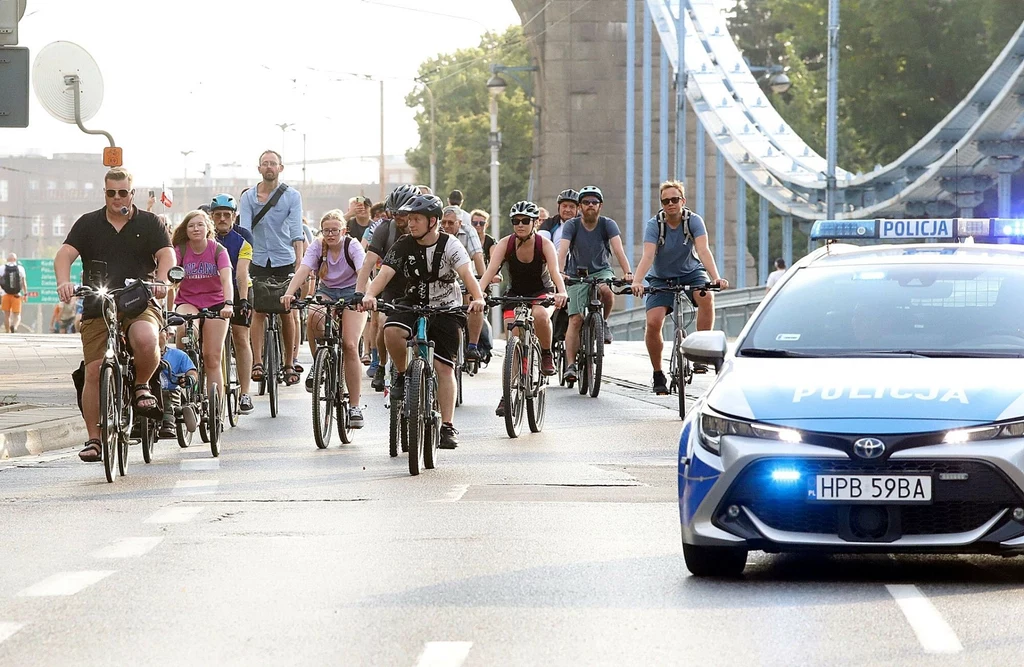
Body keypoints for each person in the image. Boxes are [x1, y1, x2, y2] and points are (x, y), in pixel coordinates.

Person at [55, 167, 174, 463]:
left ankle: (141, 385)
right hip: (98, 302)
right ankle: (94, 439)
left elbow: (166, 254)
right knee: (94, 370)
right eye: (111, 193)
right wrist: (63, 281)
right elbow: (64, 254)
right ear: (105, 193)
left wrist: (162, 279)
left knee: (146, 338)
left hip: (138, 300)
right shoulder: (88, 224)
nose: (117, 198)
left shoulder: (149, 223)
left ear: (131, 194)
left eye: (123, 192)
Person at [359, 194, 486, 449]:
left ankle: (448, 426)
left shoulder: (451, 245)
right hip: (413, 302)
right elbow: (384, 274)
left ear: (433, 222)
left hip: (446, 308)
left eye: (416, 219)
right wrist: (370, 294)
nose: (410, 223)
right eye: (410, 219)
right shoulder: (405, 244)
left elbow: (466, 275)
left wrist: (478, 297)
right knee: (391, 330)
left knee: (444, 367)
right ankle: (403, 377)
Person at [630, 180, 729, 394]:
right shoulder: (654, 224)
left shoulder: (693, 221)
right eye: (665, 201)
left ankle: (701, 353)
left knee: (706, 297)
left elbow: (703, 251)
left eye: (675, 200)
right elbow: (648, 255)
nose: (670, 204)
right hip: (661, 278)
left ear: (682, 201)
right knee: (654, 322)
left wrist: (716, 278)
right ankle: (658, 373)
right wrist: (637, 281)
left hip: (690, 273)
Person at [477, 201, 568, 416]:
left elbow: (555, 273)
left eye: (525, 221)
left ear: (535, 223)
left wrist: (561, 292)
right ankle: (507, 393)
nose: (520, 225)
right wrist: (478, 294)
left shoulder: (543, 244)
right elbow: (490, 271)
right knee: (514, 336)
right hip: (515, 295)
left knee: (539, 315)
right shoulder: (506, 244)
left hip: (542, 292)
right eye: (516, 221)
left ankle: (546, 354)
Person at [281, 210, 367, 428]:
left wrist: (361, 296)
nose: (330, 234)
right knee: (313, 316)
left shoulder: (352, 246)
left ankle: (355, 406)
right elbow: (303, 269)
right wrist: (290, 292)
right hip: (327, 291)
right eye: (326, 230)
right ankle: (319, 361)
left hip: (353, 292)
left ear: (343, 231)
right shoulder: (318, 246)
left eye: (335, 230)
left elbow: (362, 270)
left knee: (349, 344)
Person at [239, 149, 304, 388]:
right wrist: (243, 263)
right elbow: (245, 231)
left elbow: (297, 231)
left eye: (273, 164)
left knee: (287, 310)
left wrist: (300, 263)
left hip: (284, 257)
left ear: (280, 168)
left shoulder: (292, 196)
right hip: (257, 259)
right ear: (259, 169)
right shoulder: (248, 197)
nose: (269, 167)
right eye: (265, 164)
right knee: (259, 310)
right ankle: (257, 362)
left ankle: (288, 363)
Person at [557, 185, 632, 384]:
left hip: (601, 271)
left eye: (594, 202)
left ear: (600, 206)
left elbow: (618, 250)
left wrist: (628, 273)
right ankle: (570, 365)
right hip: (576, 273)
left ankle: (603, 323)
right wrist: (560, 273)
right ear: (580, 207)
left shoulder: (608, 224)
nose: (590, 205)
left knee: (606, 292)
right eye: (586, 202)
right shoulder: (572, 225)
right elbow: (562, 251)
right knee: (575, 320)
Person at [356, 183, 421, 392]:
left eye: (402, 213)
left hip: (420, 286)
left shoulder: (424, 229)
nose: (398, 218)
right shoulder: (385, 229)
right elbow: (368, 263)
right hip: (391, 284)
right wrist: (361, 293)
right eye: (394, 213)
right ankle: (382, 365)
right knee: (384, 322)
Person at [171, 210, 234, 400]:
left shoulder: (218, 250)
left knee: (212, 358)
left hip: (216, 303)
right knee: (183, 326)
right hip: (188, 301)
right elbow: (170, 281)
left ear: (208, 228)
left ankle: (215, 407)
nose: (195, 228)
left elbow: (226, 280)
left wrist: (228, 304)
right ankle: (185, 370)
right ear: (186, 230)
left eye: (200, 224)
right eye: (191, 225)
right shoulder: (180, 250)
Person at [211, 193, 255, 415]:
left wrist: (244, 300)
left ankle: (245, 393)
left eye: (226, 215)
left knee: (240, 337)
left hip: (240, 290)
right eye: (217, 215)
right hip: (212, 293)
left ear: (234, 216)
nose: (221, 219)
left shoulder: (243, 236)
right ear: (211, 216)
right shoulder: (205, 236)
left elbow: (241, 273)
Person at [158, 328, 199, 439]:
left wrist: (189, 378)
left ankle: (168, 423)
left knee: (167, 399)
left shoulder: (178, 355)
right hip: (150, 391)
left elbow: (192, 371)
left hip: (171, 391)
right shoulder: (138, 354)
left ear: (167, 335)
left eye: (157, 331)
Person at [1, 253, 28, 333]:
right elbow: (23, 282)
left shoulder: (2, 268)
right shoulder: (20, 268)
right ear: (15, 260)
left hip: (5, 294)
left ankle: (7, 331)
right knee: (17, 314)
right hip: (17, 295)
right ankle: (14, 326)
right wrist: (25, 293)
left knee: (6, 314)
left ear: (7, 259)